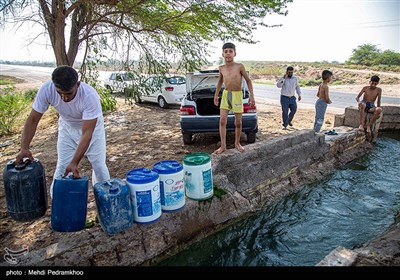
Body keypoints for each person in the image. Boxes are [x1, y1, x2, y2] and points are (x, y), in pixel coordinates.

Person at [15, 65, 110, 197]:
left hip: (92, 132)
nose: (64, 98)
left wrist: (75, 162)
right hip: (67, 129)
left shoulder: (90, 96)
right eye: (60, 93)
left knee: (99, 168)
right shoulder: (47, 89)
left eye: (68, 94)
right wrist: (24, 147)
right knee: (62, 170)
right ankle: (58, 210)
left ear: (77, 84)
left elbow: (87, 133)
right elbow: (32, 120)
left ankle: (105, 205)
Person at [213, 42, 255, 154]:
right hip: (226, 94)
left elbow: (248, 80)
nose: (228, 54)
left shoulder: (239, 66)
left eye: (230, 51)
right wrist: (216, 95)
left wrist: (251, 96)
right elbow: (220, 81)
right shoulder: (221, 68)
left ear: (234, 53)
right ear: (222, 54)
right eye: (225, 51)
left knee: (238, 122)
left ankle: (237, 143)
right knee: (222, 120)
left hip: (237, 95)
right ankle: (223, 145)